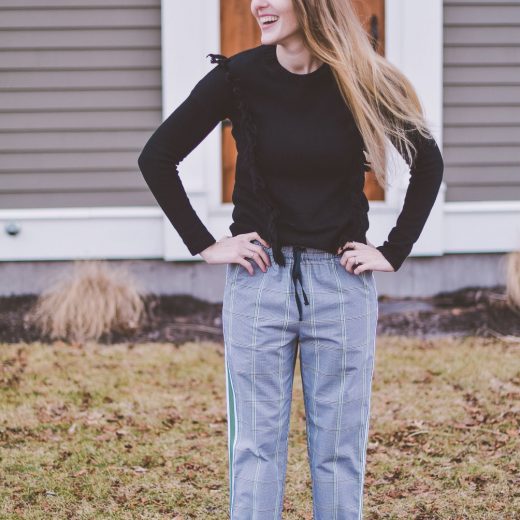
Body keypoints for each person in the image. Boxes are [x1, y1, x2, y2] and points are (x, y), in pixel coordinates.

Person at [137, 0, 444, 518]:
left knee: (338, 454)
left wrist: (393, 252)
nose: (258, 4)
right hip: (260, 285)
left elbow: (427, 161)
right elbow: (157, 156)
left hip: (340, 286)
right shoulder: (238, 78)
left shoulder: (361, 80)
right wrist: (206, 244)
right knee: (256, 450)